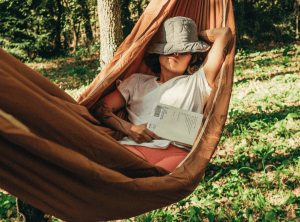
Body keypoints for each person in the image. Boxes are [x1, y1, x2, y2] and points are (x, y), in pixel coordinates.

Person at [94, 16, 233, 171]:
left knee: (153, 181)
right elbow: (100, 108)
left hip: (177, 154)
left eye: (183, 49)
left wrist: (192, 36)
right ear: (158, 53)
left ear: (192, 57)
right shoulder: (137, 82)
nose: (175, 53)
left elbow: (224, 33)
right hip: (135, 148)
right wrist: (130, 129)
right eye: (169, 47)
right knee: (104, 169)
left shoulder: (198, 81)